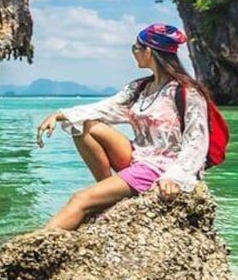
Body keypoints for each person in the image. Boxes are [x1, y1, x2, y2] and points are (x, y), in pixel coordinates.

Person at [36, 23, 211, 231]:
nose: (134, 53)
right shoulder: (140, 87)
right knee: (84, 125)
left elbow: (197, 141)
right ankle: (106, 192)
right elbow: (105, 108)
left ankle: (30, 250)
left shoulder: (186, 92)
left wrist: (174, 177)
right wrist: (60, 115)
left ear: (150, 51)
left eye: (136, 48)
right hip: (139, 156)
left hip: (161, 167)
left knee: (80, 200)